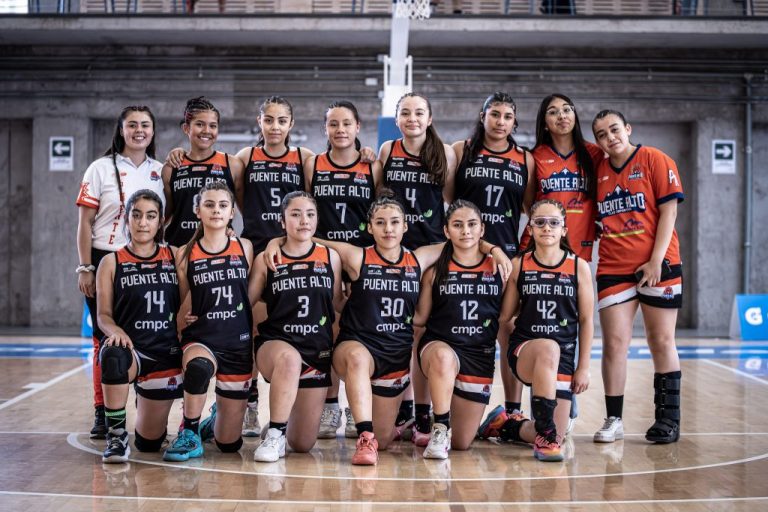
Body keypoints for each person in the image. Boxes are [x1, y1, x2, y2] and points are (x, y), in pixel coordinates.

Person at [591, 109, 684, 444]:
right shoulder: (599, 169)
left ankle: (668, 420)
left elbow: (669, 211)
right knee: (614, 344)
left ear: (628, 128)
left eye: (614, 129)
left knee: (661, 341)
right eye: (601, 134)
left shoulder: (655, 159)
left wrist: (656, 260)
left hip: (659, 264)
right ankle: (614, 419)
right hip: (614, 268)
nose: (609, 137)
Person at [76, 105, 164, 440]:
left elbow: (164, 219)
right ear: (121, 129)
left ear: (153, 131)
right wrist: (86, 266)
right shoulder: (100, 168)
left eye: (145, 125)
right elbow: (84, 222)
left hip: (148, 260)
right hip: (105, 258)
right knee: (106, 338)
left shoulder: (160, 170)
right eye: (132, 125)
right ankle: (103, 412)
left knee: (147, 333)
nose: (139, 130)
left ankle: (146, 403)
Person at [378, 92, 457, 444]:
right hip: (397, 253)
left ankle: (425, 414)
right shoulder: (387, 152)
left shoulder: (445, 153)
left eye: (419, 112)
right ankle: (405, 409)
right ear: (396, 120)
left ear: (429, 118)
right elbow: (380, 199)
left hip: (432, 253)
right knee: (399, 332)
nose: (412, 118)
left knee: (424, 334)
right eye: (405, 113)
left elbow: (453, 204)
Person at [453, 92, 536, 425]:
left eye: (507, 116)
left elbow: (529, 209)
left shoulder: (524, 159)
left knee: (509, 332)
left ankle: (513, 411)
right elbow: (450, 202)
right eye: (495, 114)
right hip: (465, 256)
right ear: (483, 115)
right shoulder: (462, 151)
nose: (501, 121)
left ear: (514, 122)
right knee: (463, 332)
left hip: (506, 259)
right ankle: (448, 409)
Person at [494, 199, 594, 462]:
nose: (546, 227)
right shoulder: (520, 264)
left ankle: (505, 426)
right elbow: (505, 316)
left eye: (553, 223)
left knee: (556, 434)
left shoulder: (578, 267)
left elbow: (586, 320)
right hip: (526, 352)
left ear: (564, 230)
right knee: (548, 346)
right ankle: (545, 437)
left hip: (563, 358)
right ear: (531, 228)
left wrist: (583, 367)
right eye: (539, 222)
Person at [306, 100, 382, 439]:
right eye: (333, 124)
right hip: (324, 255)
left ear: (357, 127)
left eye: (346, 124)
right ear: (325, 129)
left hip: (362, 258)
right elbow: (305, 209)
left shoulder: (372, 166)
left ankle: (356, 410)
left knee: (362, 331)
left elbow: (381, 209)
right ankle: (331, 406)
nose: (340, 130)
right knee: (329, 328)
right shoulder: (313, 165)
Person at [248, 191, 343, 463]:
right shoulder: (267, 260)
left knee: (302, 444)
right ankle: (276, 433)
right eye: (295, 214)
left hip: (316, 350)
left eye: (310, 214)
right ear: (282, 221)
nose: (304, 221)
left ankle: (283, 423)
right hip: (276, 344)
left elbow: (336, 303)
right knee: (290, 359)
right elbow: (244, 304)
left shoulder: (331, 257)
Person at [163, 181, 254, 462]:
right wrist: (181, 317)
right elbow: (182, 301)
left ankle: (213, 420)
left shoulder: (245, 247)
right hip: (202, 337)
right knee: (198, 369)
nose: (216, 210)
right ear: (197, 211)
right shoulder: (184, 254)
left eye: (223, 205)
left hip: (237, 343)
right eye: (210, 205)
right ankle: (188, 432)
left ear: (231, 213)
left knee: (229, 445)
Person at [412, 200, 506, 459]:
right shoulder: (435, 271)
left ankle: (499, 423)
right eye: (457, 225)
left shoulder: (498, 269)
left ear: (482, 229)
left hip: (479, 355)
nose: (465, 231)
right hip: (439, 346)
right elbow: (420, 318)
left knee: (463, 442)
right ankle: (440, 426)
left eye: (472, 224)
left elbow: (507, 316)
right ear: (446, 231)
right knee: (442, 357)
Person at [95, 190, 182, 463]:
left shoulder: (176, 256)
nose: (143, 222)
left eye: (150, 216)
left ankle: (145, 410)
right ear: (127, 218)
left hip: (165, 353)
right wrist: (115, 331)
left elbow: (189, 301)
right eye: (136, 215)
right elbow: (103, 315)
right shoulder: (111, 262)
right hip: (132, 350)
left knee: (149, 443)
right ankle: (116, 435)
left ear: (160, 223)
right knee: (111, 355)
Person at [162, 97, 242, 248]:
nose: (207, 131)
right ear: (186, 128)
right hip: (179, 248)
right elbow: (166, 214)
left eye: (213, 126)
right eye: (199, 124)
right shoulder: (171, 167)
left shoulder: (232, 165)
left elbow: (244, 211)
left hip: (218, 250)